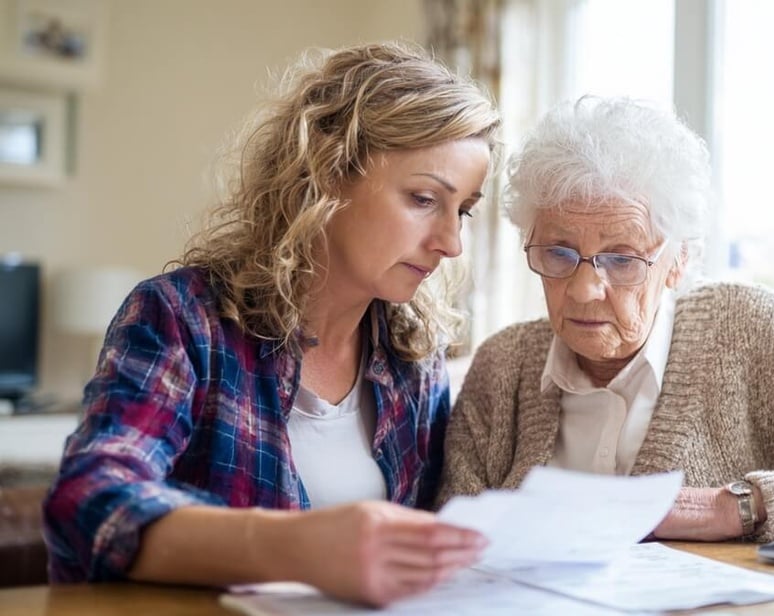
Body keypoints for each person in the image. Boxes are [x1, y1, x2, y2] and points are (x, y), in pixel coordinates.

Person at [43, 42, 501, 606]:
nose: (451, 243)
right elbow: (89, 502)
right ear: (330, 172)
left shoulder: (414, 357)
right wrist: (301, 546)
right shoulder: (184, 320)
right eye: (425, 198)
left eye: (464, 210)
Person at [438, 96, 774, 541]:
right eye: (558, 252)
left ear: (678, 261)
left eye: (622, 259)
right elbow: (450, 551)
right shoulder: (503, 365)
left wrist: (736, 505)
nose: (583, 289)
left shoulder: (747, 331)